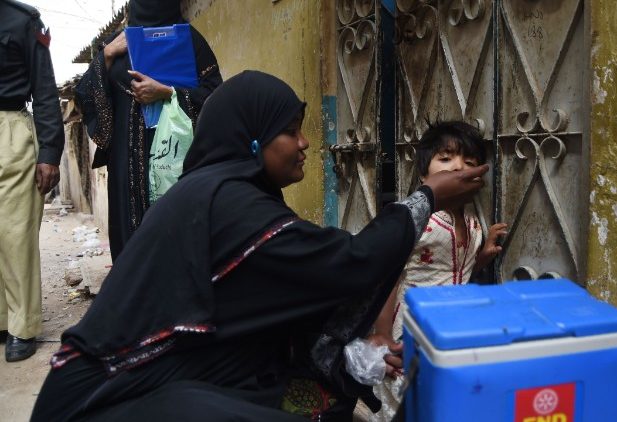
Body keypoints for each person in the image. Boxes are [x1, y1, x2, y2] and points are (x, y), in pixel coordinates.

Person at [30, 71, 488, 421]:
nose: (306, 142)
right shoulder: (226, 203)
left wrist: (352, 352)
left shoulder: (221, 193)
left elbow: (277, 302)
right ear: (253, 136)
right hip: (101, 399)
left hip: (144, 378)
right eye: (291, 130)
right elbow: (349, 263)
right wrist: (427, 197)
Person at [368, 121, 508, 421]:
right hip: (408, 325)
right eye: (445, 159)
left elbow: (457, 268)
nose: (458, 167)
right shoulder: (417, 220)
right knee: (405, 395)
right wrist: (381, 333)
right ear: (423, 175)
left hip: (453, 325)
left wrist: (482, 255)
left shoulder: (470, 219)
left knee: (441, 395)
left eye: (469, 162)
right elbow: (388, 275)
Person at [76, 0, 222, 260]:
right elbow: (85, 97)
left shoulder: (189, 40)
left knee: (179, 240)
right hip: (128, 167)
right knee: (132, 246)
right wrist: (106, 56)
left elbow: (216, 98)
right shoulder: (116, 44)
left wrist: (167, 92)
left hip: (178, 162)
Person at [0, 0, 64, 362]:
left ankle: (22, 325)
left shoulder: (23, 20)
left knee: (15, 233)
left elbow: (44, 89)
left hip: (10, 130)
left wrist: (49, 152)